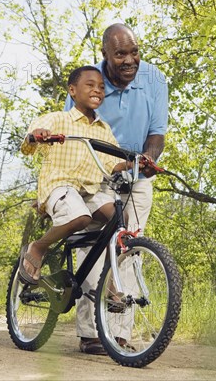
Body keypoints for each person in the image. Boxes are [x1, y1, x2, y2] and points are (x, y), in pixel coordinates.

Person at [64, 23, 169, 355]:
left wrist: (147, 161)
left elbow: (157, 132)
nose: (129, 60)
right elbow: (74, 128)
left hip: (136, 173)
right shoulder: (90, 80)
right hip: (95, 172)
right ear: (105, 54)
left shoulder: (154, 79)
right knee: (93, 250)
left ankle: (119, 335)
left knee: (129, 249)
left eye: (134, 52)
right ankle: (90, 333)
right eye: (120, 53)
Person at [18, 65, 129, 317]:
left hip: (90, 190)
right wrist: (38, 135)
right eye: (90, 85)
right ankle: (38, 247)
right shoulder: (59, 119)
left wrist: (133, 162)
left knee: (120, 221)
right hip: (60, 185)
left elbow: (113, 163)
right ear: (72, 90)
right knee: (80, 218)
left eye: (101, 87)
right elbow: (29, 141)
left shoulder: (104, 130)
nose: (97, 90)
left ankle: (111, 284)